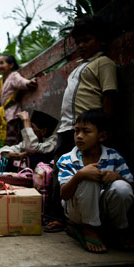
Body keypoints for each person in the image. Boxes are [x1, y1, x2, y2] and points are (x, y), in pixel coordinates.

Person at [48, 16, 118, 233]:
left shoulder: (103, 63)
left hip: (89, 129)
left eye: (86, 40)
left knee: (86, 173)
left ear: (100, 41)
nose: (81, 46)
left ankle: (89, 219)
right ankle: (61, 215)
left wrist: (105, 126)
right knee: (62, 169)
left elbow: (109, 95)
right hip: (68, 127)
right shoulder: (78, 66)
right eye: (78, 42)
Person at [57, 109, 133, 253]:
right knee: (87, 178)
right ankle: (89, 228)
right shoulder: (67, 159)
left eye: (86, 131)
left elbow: (131, 188)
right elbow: (64, 194)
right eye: (76, 131)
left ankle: (120, 229)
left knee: (121, 187)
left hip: (104, 212)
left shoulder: (114, 156)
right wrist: (79, 175)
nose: (79, 136)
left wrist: (118, 177)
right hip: (77, 212)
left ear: (102, 136)